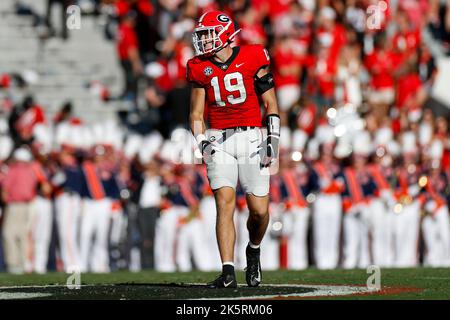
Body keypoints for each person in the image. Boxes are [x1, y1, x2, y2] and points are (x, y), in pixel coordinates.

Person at [187, 11, 280, 288]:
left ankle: (253, 249)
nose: (203, 40)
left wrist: (272, 139)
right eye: (202, 34)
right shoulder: (198, 66)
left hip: (253, 137)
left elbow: (271, 104)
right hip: (219, 139)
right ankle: (228, 271)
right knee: (224, 204)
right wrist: (202, 143)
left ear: (225, 34)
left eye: (208, 33)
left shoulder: (253, 56)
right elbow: (195, 113)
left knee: (259, 211)